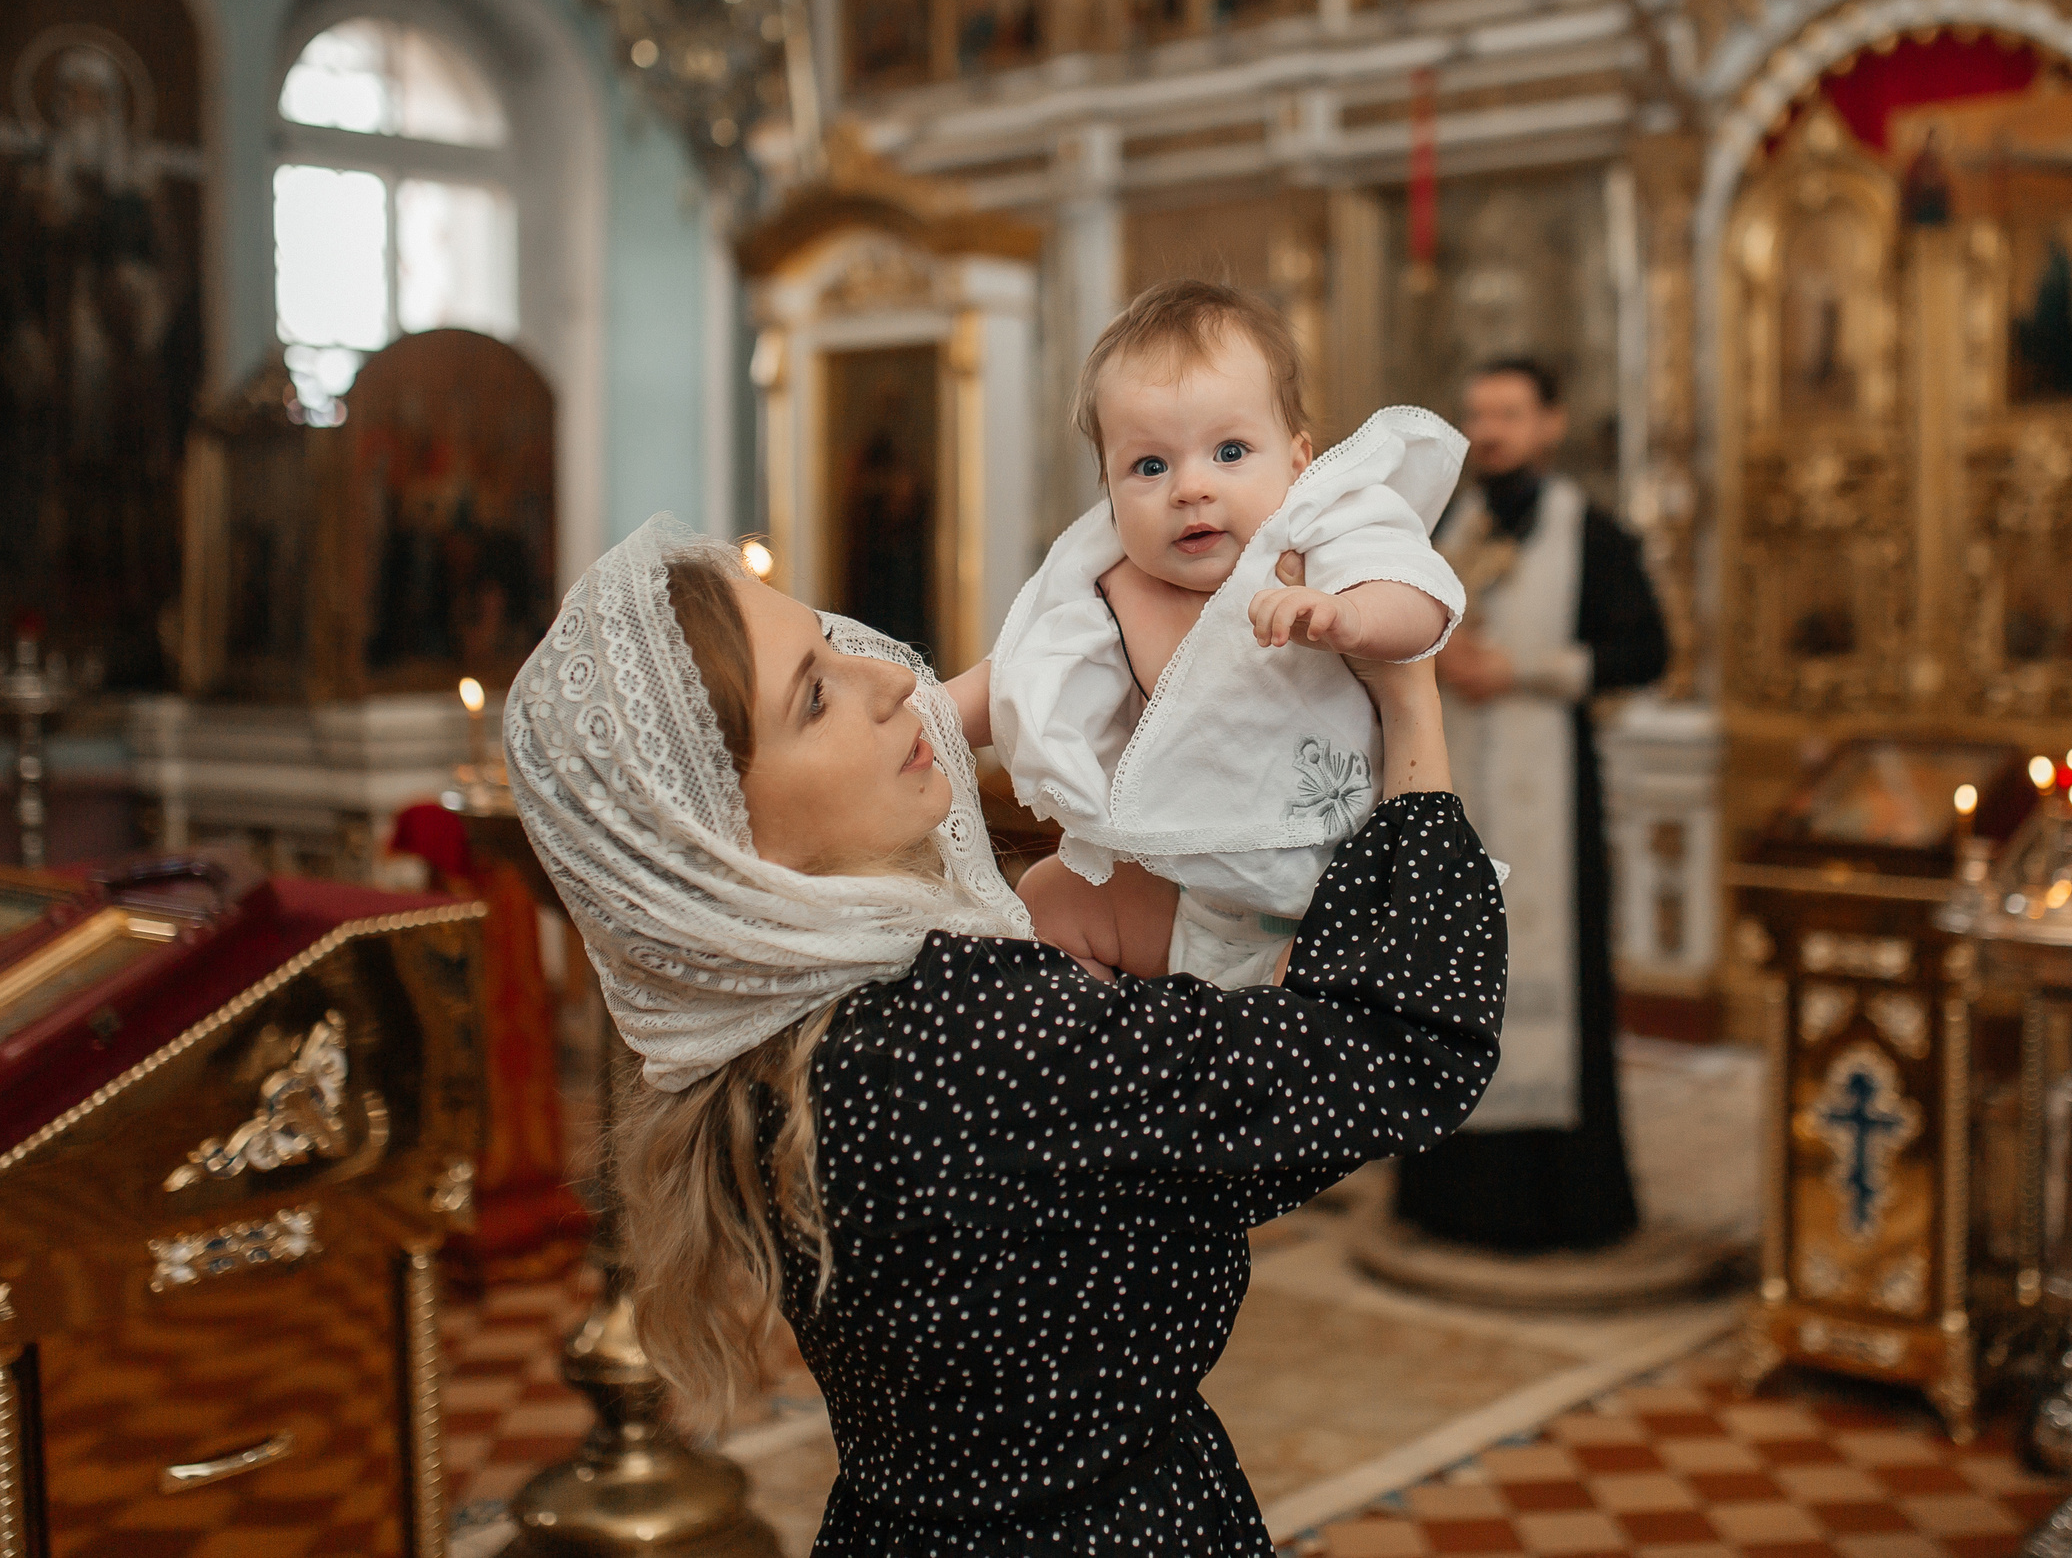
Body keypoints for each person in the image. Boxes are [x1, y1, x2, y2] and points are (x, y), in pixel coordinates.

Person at [504, 513, 1504, 1555]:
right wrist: (1405, 698)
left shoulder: (788, 1028)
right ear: (714, 839)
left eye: (837, 644)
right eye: (814, 695)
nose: (887, 680)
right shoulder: (964, 1032)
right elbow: (1400, 1049)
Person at [945, 279, 1466, 990]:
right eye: (1149, 466)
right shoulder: (1109, 585)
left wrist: (1351, 616)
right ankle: (1114, 1043)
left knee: (1329, 1015)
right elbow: (1013, 678)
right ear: (1107, 488)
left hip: (1334, 898)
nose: (1190, 487)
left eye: (1229, 451)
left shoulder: (1319, 532)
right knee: (1047, 894)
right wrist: (925, 712)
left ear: (1298, 458)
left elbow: (1422, 605)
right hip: (1191, 900)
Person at [1395, 356, 1668, 1253]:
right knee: (1447, 972)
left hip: (1554, 786)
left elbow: (1645, 652)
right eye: (1479, 414)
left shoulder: (1594, 535)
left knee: (1554, 974)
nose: (1494, 430)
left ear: (1550, 423)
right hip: (1457, 783)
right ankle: (1448, 1195)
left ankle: (1564, 1202)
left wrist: (1528, 672)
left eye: (1511, 412)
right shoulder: (1444, 529)